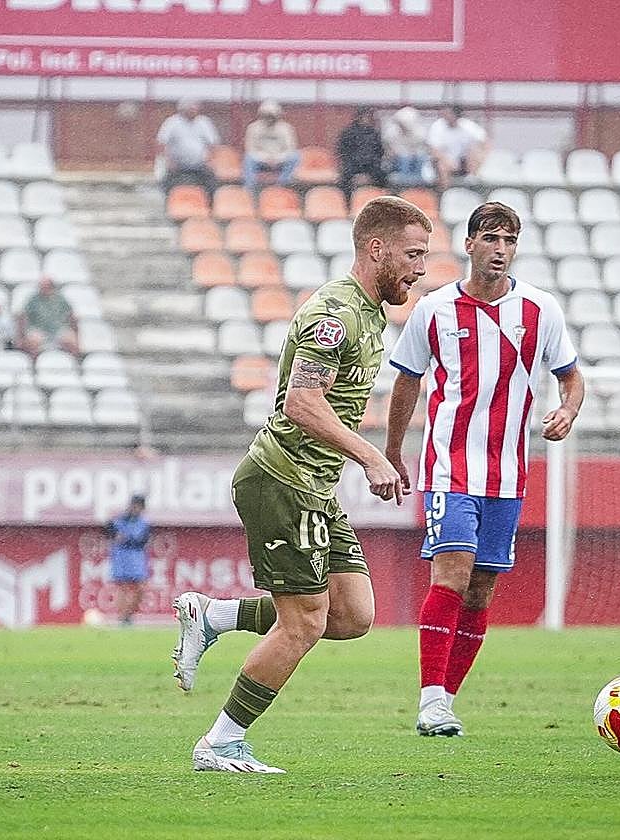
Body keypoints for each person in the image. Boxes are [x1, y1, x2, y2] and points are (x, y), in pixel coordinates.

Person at [170, 196, 431, 773]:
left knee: (351, 615)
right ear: (376, 248)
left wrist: (386, 451)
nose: (420, 268)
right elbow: (301, 402)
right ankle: (219, 743)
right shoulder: (333, 316)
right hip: (281, 479)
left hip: (314, 487)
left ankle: (213, 617)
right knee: (306, 621)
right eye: (413, 254)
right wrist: (370, 457)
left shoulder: (371, 314)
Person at [385, 202, 585, 737]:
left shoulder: (541, 311)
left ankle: (445, 703)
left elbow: (571, 377)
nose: (501, 248)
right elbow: (406, 381)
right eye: (491, 238)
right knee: (450, 574)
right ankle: (429, 698)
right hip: (448, 466)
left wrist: (566, 409)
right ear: (470, 244)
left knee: (481, 591)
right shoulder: (433, 309)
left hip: (507, 473)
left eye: (510, 239)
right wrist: (393, 449)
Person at [104, 494, 152, 626]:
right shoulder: (119, 520)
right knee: (123, 587)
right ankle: (122, 617)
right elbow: (108, 530)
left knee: (140, 588)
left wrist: (127, 539)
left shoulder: (143, 523)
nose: (135, 509)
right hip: (121, 556)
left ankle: (128, 614)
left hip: (136, 557)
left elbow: (142, 541)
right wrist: (115, 535)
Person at [156, 100, 220, 198]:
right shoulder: (172, 122)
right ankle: (169, 203)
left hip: (200, 163)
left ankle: (210, 204)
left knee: (211, 182)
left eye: (195, 108)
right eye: (191, 109)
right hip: (177, 163)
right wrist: (169, 161)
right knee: (168, 183)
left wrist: (210, 159)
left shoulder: (204, 122)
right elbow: (162, 142)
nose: (194, 111)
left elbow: (213, 143)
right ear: (182, 110)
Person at [426, 106, 489, 190]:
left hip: (463, 163)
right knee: (441, 165)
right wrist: (449, 162)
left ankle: (472, 181)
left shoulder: (468, 126)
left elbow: (485, 141)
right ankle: (444, 191)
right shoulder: (437, 126)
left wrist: (482, 157)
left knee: (474, 150)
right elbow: (434, 150)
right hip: (445, 163)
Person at [242, 100, 299, 192]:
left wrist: (277, 158)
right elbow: (250, 148)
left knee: (295, 156)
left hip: (280, 159)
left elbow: (290, 148)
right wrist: (265, 157)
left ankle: (283, 184)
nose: (269, 117)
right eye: (266, 114)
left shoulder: (286, 128)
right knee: (248, 158)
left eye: (271, 115)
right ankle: (250, 188)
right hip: (260, 159)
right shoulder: (253, 128)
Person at [18, 277, 78, 356]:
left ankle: (72, 363)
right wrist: (21, 336)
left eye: (45, 286)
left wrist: (75, 331)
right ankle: (35, 364)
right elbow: (23, 316)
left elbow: (71, 315)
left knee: (71, 341)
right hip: (39, 329)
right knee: (32, 342)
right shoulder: (33, 299)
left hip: (58, 329)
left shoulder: (60, 299)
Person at [336, 106, 386, 201]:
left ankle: (380, 199)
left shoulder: (373, 133)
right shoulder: (348, 132)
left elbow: (380, 151)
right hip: (353, 164)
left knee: (382, 176)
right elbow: (342, 151)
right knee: (345, 178)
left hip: (371, 164)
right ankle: (347, 202)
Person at [382, 106, 429, 187]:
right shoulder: (392, 133)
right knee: (404, 159)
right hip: (398, 162)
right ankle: (404, 181)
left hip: (415, 162)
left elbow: (422, 151)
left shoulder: (419, 134)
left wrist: (411, 154)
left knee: (420, 158)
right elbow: (389, 150)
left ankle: (417, 181)